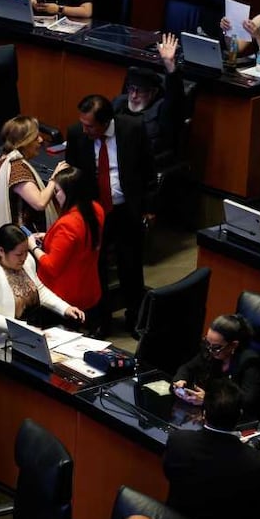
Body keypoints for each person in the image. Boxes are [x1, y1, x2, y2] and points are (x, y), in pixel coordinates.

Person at [0, 224, 86, 428]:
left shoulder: (26, 260)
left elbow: (39, 289)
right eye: (18, 254)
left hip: (20, 343)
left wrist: (64, 308)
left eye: (25, 253)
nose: (24, 258)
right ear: (1, 251)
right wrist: (27, 330)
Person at [162, 379, 260, 519]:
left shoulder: (179, 441)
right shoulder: (253, 461)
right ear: (239, 415)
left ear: (204, 414)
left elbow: (169, 472)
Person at [66, 93, 155, 335]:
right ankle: (100, 321)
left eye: (90, 125)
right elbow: (73, 176)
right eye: (83, 124)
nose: (85, 130)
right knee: (96, 268)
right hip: (94, 212)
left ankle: (134, 318)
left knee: (131, 267)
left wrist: (148, 208)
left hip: (126, 208)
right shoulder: (75, 133)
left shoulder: (133, 128)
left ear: (105, 123)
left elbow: (148, 168)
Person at [27, 166, 104, 317]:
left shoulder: (67, 224)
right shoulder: (96, 209)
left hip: (63, 295)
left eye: (57, 191)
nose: (56, 196)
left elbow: (51, 266)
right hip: (89, 286)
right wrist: (51, 236)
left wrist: (33, 246)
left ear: (70, 193)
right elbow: (81, 239)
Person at [112, 34, 184, 166]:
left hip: (141, 167)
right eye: (131, 89)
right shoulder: (118, 104)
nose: (133, 96)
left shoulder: (161, 111)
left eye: (140, 91)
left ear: (153, 92)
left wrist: (170, 66)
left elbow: (175, 98)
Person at [172, 314, 260, 414]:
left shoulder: (249, 362)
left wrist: (207, 401)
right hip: (208, 414)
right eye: (207, 343)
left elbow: (246, 402)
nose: (210, 350)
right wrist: (180, 381)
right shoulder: (210, 352)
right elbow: (187, 368)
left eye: (216, 347)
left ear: (233, 345)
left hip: (235, 418)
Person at [0, 115, 68, 231]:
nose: (41, 140)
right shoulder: (16, 168)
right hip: (21, 241)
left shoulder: (4, 159)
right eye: (35, 137)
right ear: (24, 141)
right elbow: (40, 203)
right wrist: (55, 178)